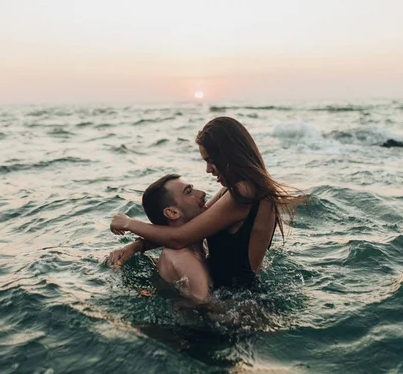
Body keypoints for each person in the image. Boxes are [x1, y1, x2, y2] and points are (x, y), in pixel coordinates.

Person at [110, 116, 304, 289]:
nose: (208, 170)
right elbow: (191, 227)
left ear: (229, 155)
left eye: (211, 160)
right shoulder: (232, 191)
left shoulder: (244, 193)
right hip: (230, 299)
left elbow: (180, 237)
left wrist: (128, 223)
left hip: (237, 309)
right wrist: (137, 247)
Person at [110, 173, 212, 304]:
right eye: (189, 192)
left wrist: (139, 245)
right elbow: (209, 309)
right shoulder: (183, 260)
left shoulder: (197, 240)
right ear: (172, 213)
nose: (202, 193)